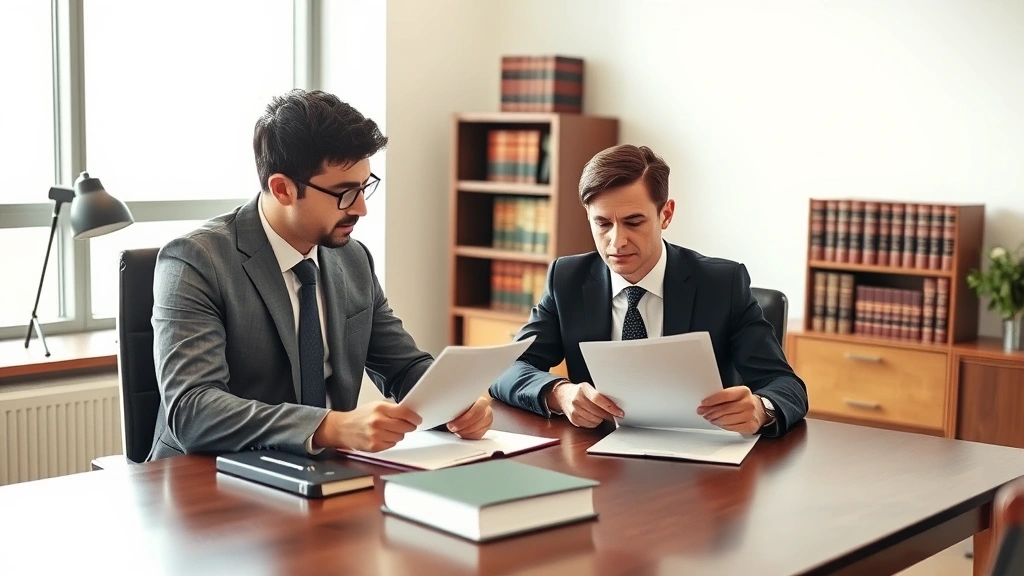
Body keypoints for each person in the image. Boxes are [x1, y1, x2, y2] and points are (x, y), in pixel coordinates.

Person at [147, 89, 491, 460]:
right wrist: (328, 427)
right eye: (344, 193)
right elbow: (193, 411)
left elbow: (403, 367)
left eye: (364, 188)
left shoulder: (353, 259)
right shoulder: (196, 261)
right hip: (207, 484)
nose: (360, 208)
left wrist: (457, 402)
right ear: (282, 189)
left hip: (321, 475)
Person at [489, 144, 807, 436]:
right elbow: (506, 369)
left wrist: (761, 409)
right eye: (602, 223)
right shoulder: (568, 280)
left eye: (633, 221)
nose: (617, 241)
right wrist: (560, 393)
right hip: (600, 457)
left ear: (665, 214)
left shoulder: (722, 284)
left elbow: (786, 385)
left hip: (702, 464)